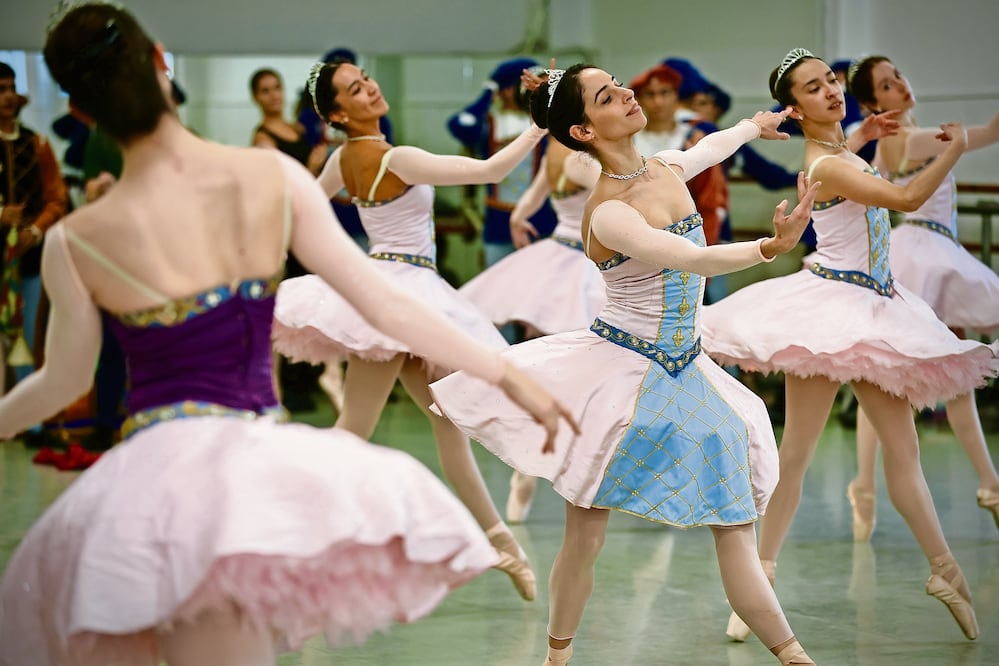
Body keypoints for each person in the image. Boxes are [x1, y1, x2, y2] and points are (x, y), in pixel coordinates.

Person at [0, 4, 574, 664]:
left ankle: (497, 533)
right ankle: (497, 534)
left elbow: (62, 381)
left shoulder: (73, 240)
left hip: (132, 493)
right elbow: (386, 310)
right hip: (239, 478)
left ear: (78, 106)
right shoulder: (269, 179)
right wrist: (503, 371)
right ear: (162, 61)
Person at [431, 63, 823, 665]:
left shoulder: (663, 166)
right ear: (584, 131)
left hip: (686, 368)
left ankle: (794, 656)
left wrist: (753, 125)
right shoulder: (609, 212)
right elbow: (687, 257)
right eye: (608, 96)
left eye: (620, 85)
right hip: (619, 372)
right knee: (585, 535)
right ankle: (557, 657)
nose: (628, 94)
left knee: (734, 522)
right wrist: (769, 247)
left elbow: (709, 149)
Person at [700, 49, 998, 643]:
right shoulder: (827, 164)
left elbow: (847, 161)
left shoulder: (837, 151)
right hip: (833, 311)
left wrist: (859, 131)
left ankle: (943, 571)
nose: (831, 90)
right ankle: (760, 578)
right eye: (815, 88)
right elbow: (909, 200)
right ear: (795, 108)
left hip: (874, 304)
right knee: (799, 454)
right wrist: (956, 149)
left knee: (901, 450)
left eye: (831, 79)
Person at [271, 59, 560, 603]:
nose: (370, 88)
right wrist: (538, 125)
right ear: (338, 112)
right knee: (355, 428)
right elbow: (491, 171)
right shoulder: (397, 157)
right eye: (355, 90)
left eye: (366, 79)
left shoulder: (340, 160)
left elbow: (300, 212)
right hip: (402, 295)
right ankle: (292, 533)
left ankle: (503, 546)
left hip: (392, 284)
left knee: (446, 425)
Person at [843, 55, 999, 539]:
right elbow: (986, 133)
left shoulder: (909, 134)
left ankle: (988, 482)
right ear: (873, 103)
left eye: (899, 77)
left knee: (946, 374)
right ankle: (868, 484)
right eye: (887, 86)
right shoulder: (904, 138)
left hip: (936, 250)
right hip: (921, 252)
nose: (901, 87)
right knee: (888, 378)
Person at [458, 138, 605, 522]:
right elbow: (619, 197)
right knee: (582, 379)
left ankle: (531, 466)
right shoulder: (582, 159)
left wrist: (518, 218)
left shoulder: (554, 152)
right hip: (582, 267)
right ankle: (552, 468)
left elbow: (530, 199)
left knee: (553, 376)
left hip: (556, 256)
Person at [249, 67, 329, 412]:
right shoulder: (262, 138)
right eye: (265, 91)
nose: (273, 96)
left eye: (276, 88)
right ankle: (287, 387)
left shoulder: (299, 128)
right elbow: (282, 189)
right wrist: (312, 167)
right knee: (289, 303)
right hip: (283, 229)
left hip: (308, 227)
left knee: (311, 302)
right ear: (256, 98)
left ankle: (307, 377)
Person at [0, 62, 68, 434]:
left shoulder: (35, 143)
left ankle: (31, 421)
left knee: (30, 335)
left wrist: (37, 231)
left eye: (11, 87)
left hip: (28, 259)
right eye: (0, 89)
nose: (7, 96)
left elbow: (56, 199)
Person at [447, 57, 558, 271]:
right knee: (497, 285)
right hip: (498, 222)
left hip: (540, 217)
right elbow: (461, 128)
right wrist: (488, 92)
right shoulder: (489, 123)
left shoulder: (545, 120)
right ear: (507, 90)